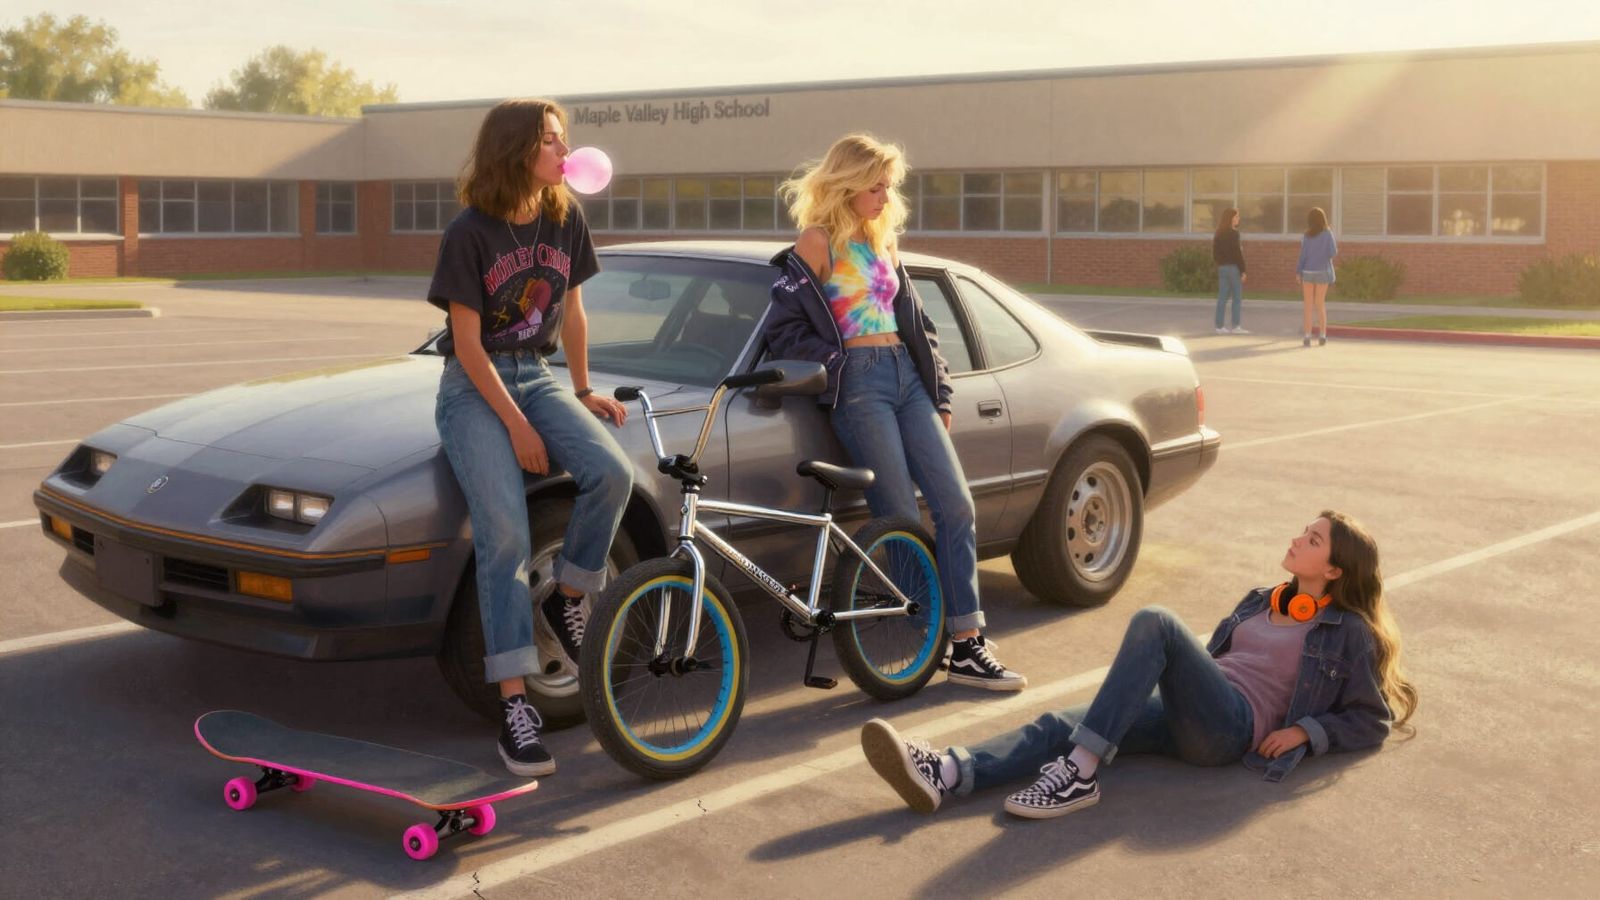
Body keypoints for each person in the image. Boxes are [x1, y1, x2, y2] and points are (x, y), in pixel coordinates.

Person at [861, 510, 1416, 818]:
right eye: (1304, 529)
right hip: (1192, 709)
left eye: (1313, 539)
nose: (1298, 538)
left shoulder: (1347, 633)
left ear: (1336, 571)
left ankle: (1078, 776)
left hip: (1230, 730)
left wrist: (1304, 730)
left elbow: (1373, 719)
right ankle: (951, 772)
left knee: (1156, 619)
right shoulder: (1263, 597)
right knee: (1065, 724)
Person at [765, 134, 1024, 691]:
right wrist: (835, 363)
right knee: (901, 517)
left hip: (907, 379)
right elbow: (781, 329)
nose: (886, 196)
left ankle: (966, 641)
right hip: (859, 385)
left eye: (889, 185)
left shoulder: (883, 242)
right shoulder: (816, 242)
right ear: (848, 184)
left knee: (956, 506)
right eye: (876, 185)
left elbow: (919, 326)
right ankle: (931, 640)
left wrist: (941, 392)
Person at [428, 98, 633, 776]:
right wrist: (515, 426)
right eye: (550, 140)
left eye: (563, 138)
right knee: (507, 535)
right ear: (516, 149)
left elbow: (571, 310)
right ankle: (515, 706)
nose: (563, 150)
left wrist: (579, 390)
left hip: (538, 376)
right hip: (474, 388)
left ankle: (570, 598)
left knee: (612, 473)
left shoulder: (564, 216)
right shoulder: (470, 232)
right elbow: (465, 343)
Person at [1297, 207, 1338, 346]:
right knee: (1320, 304)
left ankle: (1307, 336)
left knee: (1308, 305)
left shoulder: (1306, 235)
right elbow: (1333, 252)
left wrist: (1298, 272)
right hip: (1322, 272)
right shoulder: (1328, 233)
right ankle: (1322, 335)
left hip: (1308, 272)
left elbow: (1302, 255)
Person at [1212, 207, 1248, 334]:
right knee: (1237, 298)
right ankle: (1236, 326)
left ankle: (1219, 326)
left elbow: (1215, 253)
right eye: (1237, 216)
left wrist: (1220, 263)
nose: (1238, 219)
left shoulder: (1218, 233)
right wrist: (1243, 270)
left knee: (1222, 298)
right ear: (1231, 218)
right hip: (1233, 268)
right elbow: (1237, 253)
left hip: (1222, 268)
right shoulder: (1234, 233)